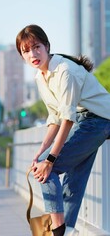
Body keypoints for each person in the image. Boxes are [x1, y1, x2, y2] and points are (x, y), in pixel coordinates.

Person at [16, 24, 110, 236]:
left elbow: (67, 119)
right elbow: (55, 118)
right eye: (26, 50)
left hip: (100, 119)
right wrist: (41, 150)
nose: (33, 54)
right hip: (87, 121)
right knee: (73, 181)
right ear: (22, 56)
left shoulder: (64, 71)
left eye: (36, 47)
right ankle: (69, 230)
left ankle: (58, 231)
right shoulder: (41, 76)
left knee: (47, 173)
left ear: (47, 46)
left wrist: (49, 160)